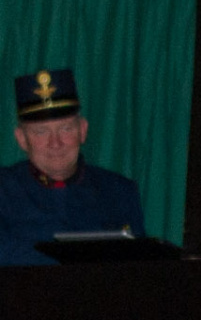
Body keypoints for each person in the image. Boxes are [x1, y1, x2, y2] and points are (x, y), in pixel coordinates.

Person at [0, 68, 146, 265]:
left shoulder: (119, 192)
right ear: (21, 139)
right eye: (41, 132)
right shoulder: (4, 191)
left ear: (83, 131)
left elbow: (139, 267)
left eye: (66, 129)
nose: (55, 143)